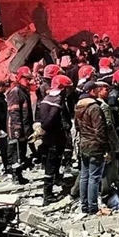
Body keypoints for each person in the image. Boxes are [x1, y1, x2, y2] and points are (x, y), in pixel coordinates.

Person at [75, 81, 112, 214]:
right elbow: (100, 130)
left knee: (84, 176)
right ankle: (92, 207)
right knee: (94, 178)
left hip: (83, 144)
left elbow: (77, 127)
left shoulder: (78, 106)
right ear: (91, 91)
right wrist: (106, 147)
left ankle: (84, 206)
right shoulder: (95, 108)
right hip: (95, 146)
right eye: (96, 89)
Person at [37, 75, 73, 205]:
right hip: (54, 139)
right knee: (51, 165)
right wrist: (43, 129)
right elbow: (52, 118)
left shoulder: (47, 99)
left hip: (52, 138)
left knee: (53, 163)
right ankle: (48, 194)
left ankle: (52, 186)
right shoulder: (57, 100)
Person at [6, 67, 34, 184]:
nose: (28, 81)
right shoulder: (16, 92)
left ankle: (19, 174)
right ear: (20, 78)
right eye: (26, 79)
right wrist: (17, 127)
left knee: (21, 152)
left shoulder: (23, 92)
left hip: (23, 127)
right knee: (16, 152)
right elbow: (14, 111)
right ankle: (15, 176)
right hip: (16, 128)